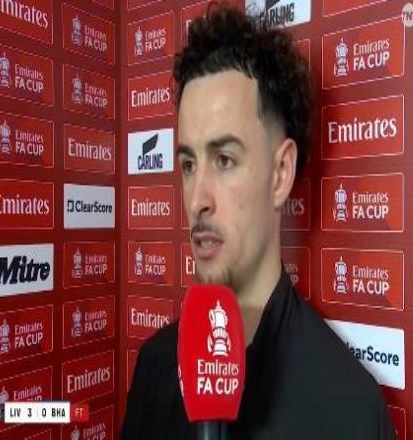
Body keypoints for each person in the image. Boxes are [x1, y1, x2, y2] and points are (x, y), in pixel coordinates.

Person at [122, 4, 396, 439]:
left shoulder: (350, 406)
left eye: (224, 160)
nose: (197, 200)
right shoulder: (154, 369)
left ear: (280, 173)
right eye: (188, 164)